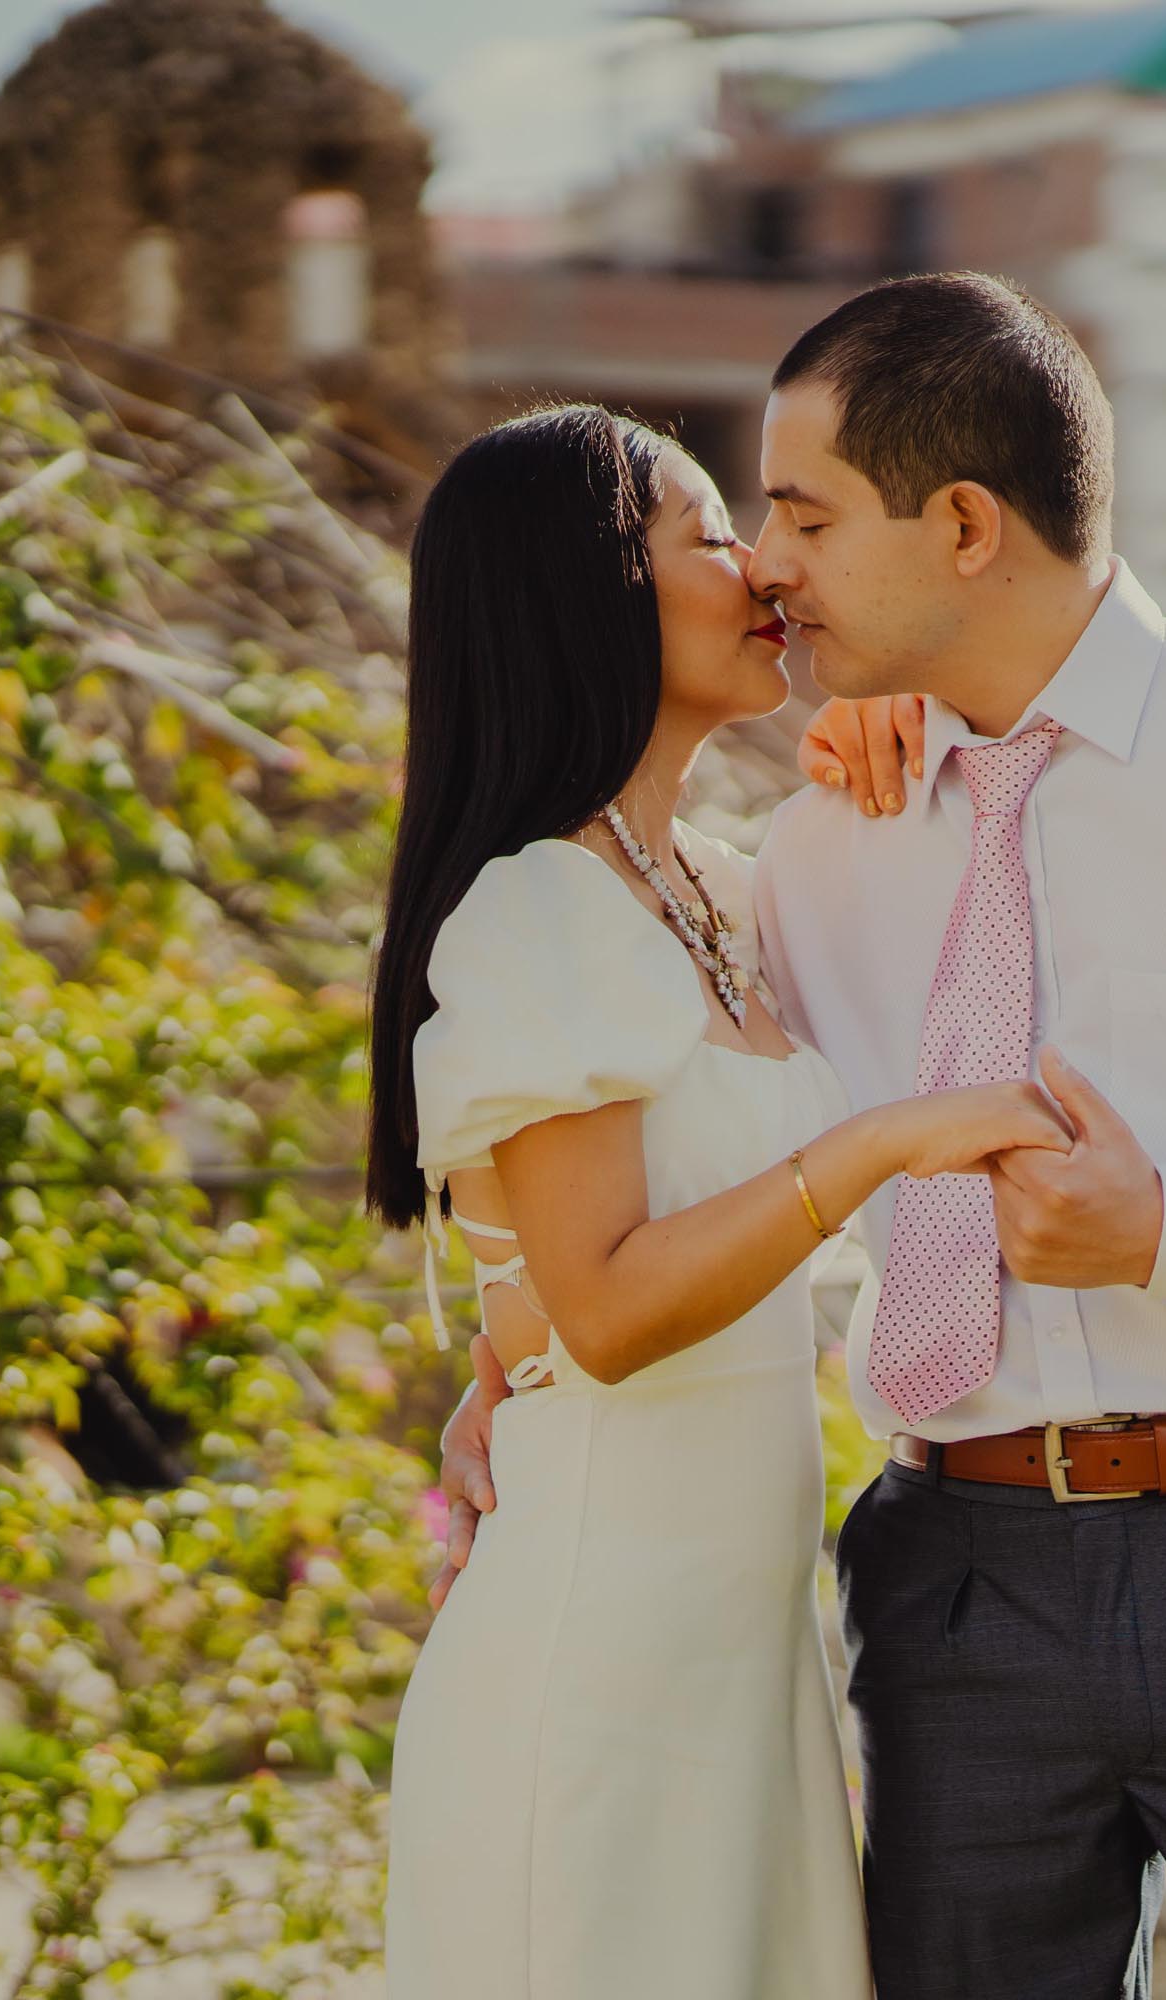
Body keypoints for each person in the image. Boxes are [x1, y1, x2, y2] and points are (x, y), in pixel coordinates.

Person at [437, 272, 1166, 1998]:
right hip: (950, 1576)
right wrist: (519, 1350)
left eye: (800, 513)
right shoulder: (815, 851)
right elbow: (683, 1163)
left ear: (963, 522)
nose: (767, 564)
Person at [363, 404, 1072, 2000]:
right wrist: (881, 1145)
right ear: (590, 593)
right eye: (705, 534)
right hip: (603, 1664)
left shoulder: (728, 891)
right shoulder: (540, 901)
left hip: (740, 1656)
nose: (759, 568)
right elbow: (607, 1311)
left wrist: (880, 714)